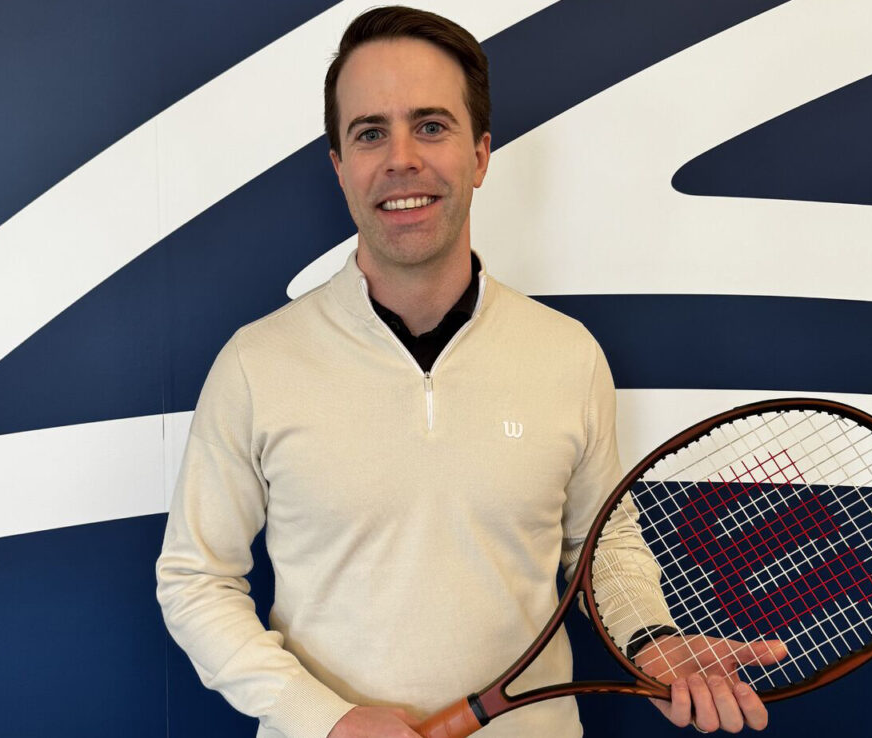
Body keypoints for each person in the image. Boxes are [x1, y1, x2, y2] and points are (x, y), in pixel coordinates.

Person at [156, 7, 783, 738]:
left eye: (431, 126)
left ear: (481, 154)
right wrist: (325, 720)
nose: (401, 159)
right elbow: (196, 579)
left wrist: (650, 639)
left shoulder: (567, 353)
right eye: (369, 133)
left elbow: (599, 546)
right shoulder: (257, 363)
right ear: (339, 166)